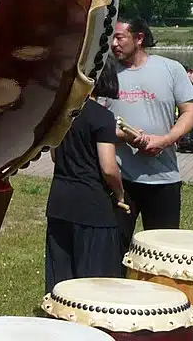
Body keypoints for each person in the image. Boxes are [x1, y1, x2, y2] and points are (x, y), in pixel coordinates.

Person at [106, 18, 193, 253]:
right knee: (114, 250)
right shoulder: (106, 72)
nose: (113, 43)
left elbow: (190, 113)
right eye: (111, 38)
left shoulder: (171, 69)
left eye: (120, 37)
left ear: (139, 39)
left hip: (163, 179)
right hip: (119, 180)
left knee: (162, 253)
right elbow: (95, 121)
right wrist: (124, 136)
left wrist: (165, 140)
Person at [44, 56, 129, 293]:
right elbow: (109, 168)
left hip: (60, 200)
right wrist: (120, 195)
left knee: (60, 276)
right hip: (92, 204)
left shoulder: (62, 111)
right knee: (95, 279)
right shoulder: (102, 117)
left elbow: (53, 156)